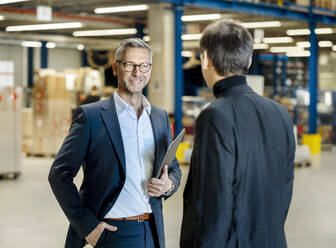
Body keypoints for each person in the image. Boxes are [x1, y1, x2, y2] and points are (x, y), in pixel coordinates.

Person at [49, 38, 181, 248]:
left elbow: (172, 168)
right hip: (112, 233)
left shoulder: (159, 117)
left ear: (150, 69)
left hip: (152, 230)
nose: (137, 72)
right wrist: (87, 227)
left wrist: (168, 185)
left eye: (144, 65)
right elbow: (59, 174)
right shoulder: (91, 117)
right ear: (115, 68)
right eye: (129, 65)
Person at [180, 19, 295, 248]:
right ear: (249, 60)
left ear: (205, 59)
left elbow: (215, 202)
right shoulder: (280, 113)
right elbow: (285, 188)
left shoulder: (215, 115)